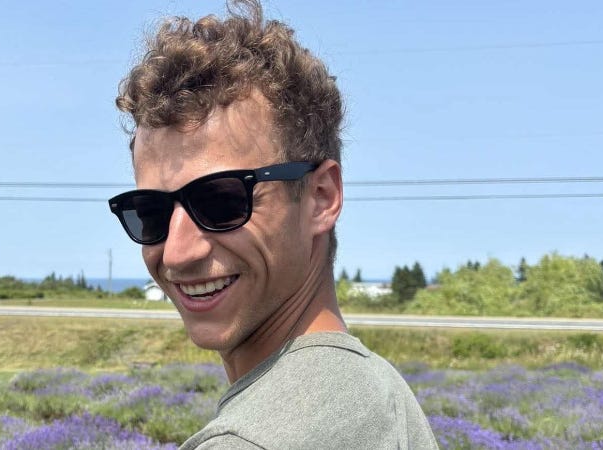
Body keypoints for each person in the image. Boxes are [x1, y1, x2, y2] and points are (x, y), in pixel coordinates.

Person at [108, 1, 438, 448]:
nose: (177, 253)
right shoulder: (379, 393)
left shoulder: (247, 441)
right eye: (151, 212)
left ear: (321, 197)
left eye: (222, 201)